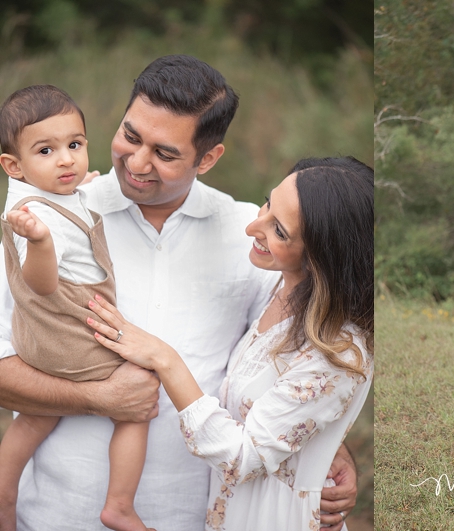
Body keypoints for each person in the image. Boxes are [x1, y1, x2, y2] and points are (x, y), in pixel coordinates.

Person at [0, 55, 358, 531]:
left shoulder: (251, 236)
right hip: (55, 515)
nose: (137, 162)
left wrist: (327, 447)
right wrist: (100, 397)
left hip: (194, 516)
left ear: (208, 158)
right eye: (130, 136)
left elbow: (281, 363)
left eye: (165, 153)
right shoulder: (48, 217)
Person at [86, 156, 374, 530]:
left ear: (322, 256)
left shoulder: (337, 352)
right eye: (268, 203)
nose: (253, 226)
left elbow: (243, 456)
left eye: (279, 231)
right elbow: (286, 414)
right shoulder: (282, 291)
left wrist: (164, 359)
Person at [0, 85, 150, 531]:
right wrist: (41, 243)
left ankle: (5, 493)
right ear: (14, 166)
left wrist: (79, 189)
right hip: (69, 333)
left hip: (38, 339)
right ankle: (120, 505)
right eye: (46, 150)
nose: (66, 160)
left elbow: (66, 199)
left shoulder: (38, 195)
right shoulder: (36, 223)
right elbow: (40, 284)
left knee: (35, 416)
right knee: (138, 399)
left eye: (75, 145)